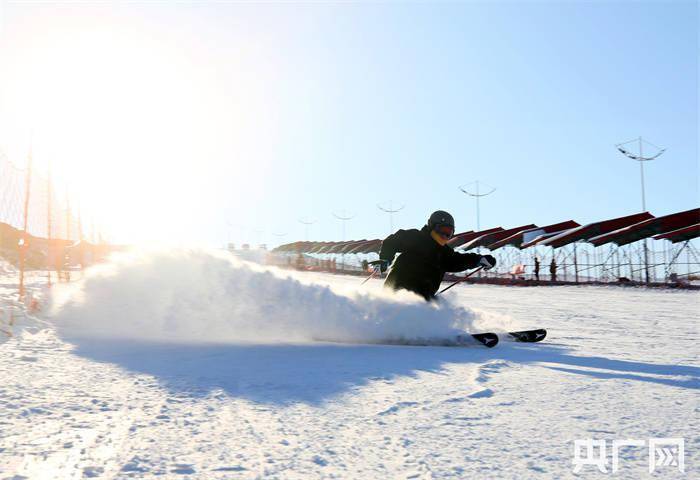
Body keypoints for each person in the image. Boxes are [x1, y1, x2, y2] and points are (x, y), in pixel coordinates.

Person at [376, 210, 496, 301]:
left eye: (449, 233)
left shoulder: (444, 253)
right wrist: (386, 258)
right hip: (397, 294)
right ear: (431, 226)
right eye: (442, 230)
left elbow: (459, 260)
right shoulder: (416, 238)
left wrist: (479, 260)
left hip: (422, 300)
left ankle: (436, 332)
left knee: (439, 309)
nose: (444, 235)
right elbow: (392, 242)